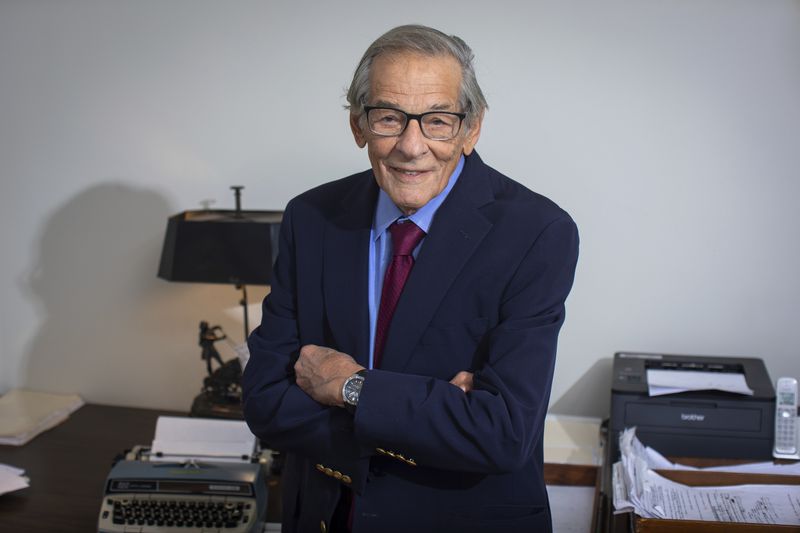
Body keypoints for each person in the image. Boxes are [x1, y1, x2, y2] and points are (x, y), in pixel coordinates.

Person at [242, 24, 579, 533]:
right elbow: (266, 399)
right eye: (389, 118)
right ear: (358, 125)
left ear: (472, 128)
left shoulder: (538, 233)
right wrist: (432, 413)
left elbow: (502, 433)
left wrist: (349, 388)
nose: (411, 145)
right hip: (324, 515)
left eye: (438, 121)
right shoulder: (310, 217)